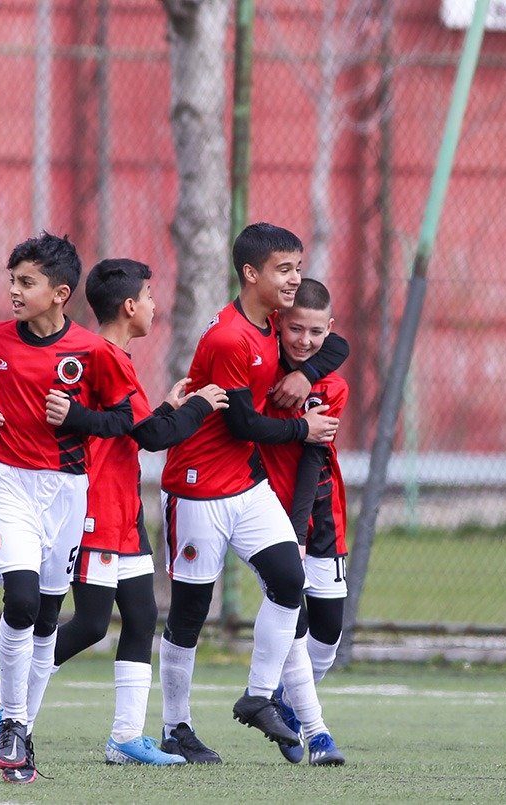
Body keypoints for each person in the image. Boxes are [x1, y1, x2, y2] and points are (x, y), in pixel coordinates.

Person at [0, 258, 228, 768]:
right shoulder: (99, 354)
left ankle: (126, 736)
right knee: (86, 623)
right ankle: (2, 703)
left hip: (122, 510)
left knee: (141, 615)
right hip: (92, 508)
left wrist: (172, 408)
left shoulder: (108, 355)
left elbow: (134, 423)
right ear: (130, 307)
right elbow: (149, 436)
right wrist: (199, 406)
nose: (156, 305)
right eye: (150, 296)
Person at [158, 222, 349, 763]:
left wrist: (309, 371)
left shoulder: (272, 324)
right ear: (251, 274)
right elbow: (241, 424)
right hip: (197, 486)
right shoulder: (228, 338)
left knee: (290, 580)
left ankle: (260, 696)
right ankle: (176, 727)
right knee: (191, 611)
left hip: (245, 483)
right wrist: (303, 430)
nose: (295, 278)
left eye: (296, 267)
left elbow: (335, 340)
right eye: (284, 269)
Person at [0, 232, 140, 785]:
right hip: (9, 482)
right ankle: (12, 723)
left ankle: (19, 726)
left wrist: (77, 419)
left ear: (60, 293)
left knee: (45, 617)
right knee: (19, 600)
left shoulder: (93, 352)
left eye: (26, 282)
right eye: (12, 280)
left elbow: (123, 422)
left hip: (66, 491)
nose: (14, 291)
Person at [260, 277, 349, 766]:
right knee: (292, 613)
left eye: (316, 332)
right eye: (296, 329)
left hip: (321, 508)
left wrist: (310, 372)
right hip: (268, 507)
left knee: (329, 634)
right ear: (279, 324)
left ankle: (286, 703)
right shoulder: (259, 366)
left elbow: (315, 458)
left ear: (328, 329)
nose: (305, 341)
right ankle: (315, 730)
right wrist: (288, 536)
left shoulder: (332, 382)